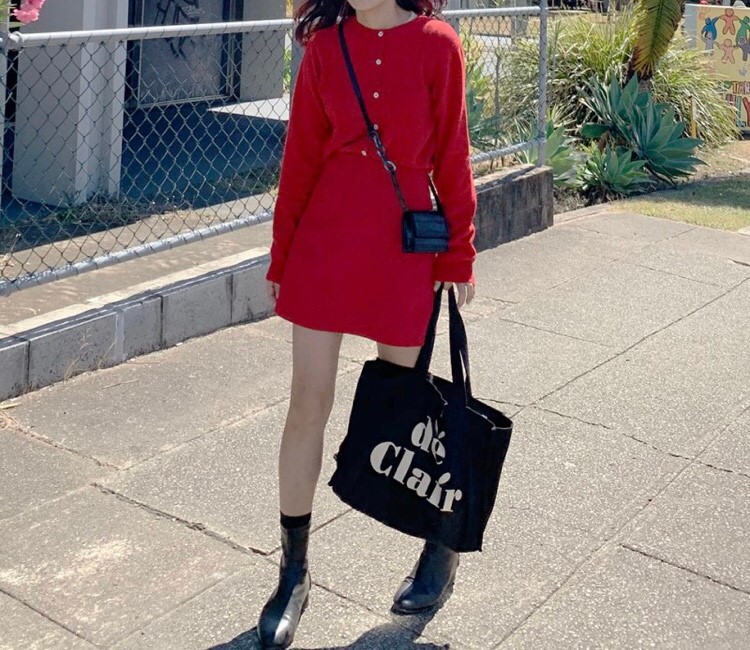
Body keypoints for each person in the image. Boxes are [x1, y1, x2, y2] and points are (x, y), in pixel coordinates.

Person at [258, 0, 477, 647]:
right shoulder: (326, 49)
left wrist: (459, 253)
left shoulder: (438, 45)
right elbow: (300, 159)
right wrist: (282, 254)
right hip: (323, 247)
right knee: (307, 402)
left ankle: (442, 542)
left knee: (405, 411)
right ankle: (293, 572)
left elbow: (452, 153)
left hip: (401, 250)